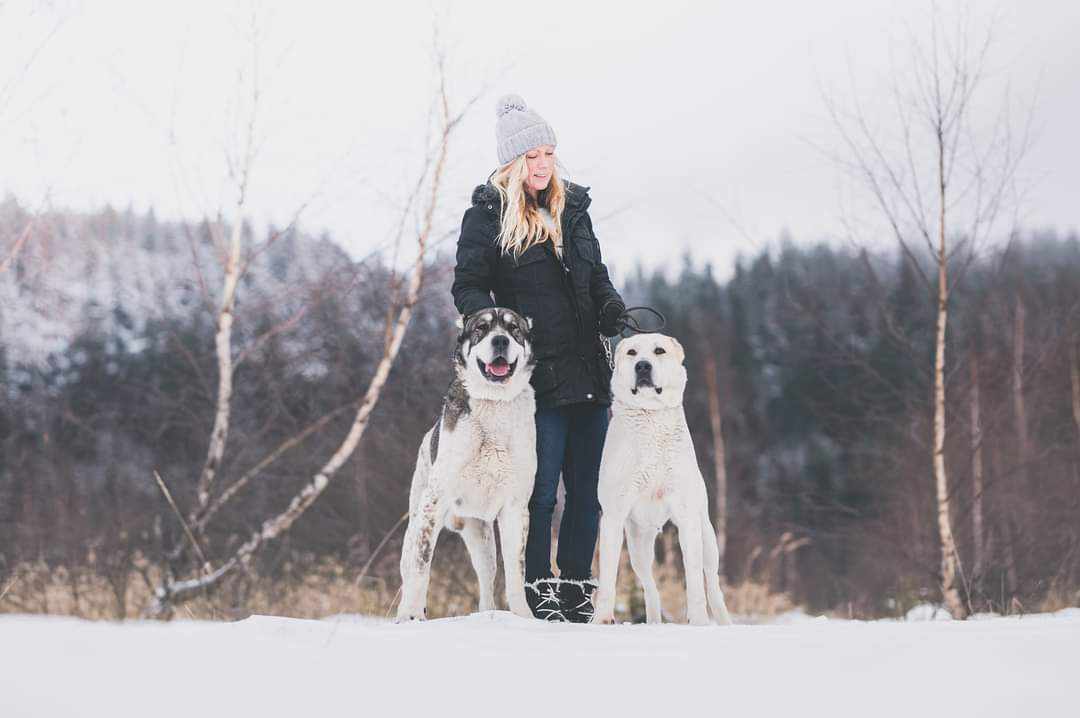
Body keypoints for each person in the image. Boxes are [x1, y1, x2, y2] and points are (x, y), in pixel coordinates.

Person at [450, 94, 626, 622]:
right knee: (539, 493)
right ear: (512, 163)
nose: (543, 164)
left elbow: (594, 276)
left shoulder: (573, 209)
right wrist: (499, 329)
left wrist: (611, 306)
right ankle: (535, 590)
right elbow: (467, 286)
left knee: (588, 494)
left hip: (590, 370)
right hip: (534, 379)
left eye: (549, 152)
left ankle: (574, 590)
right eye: (532, 156)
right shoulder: (485, 216)